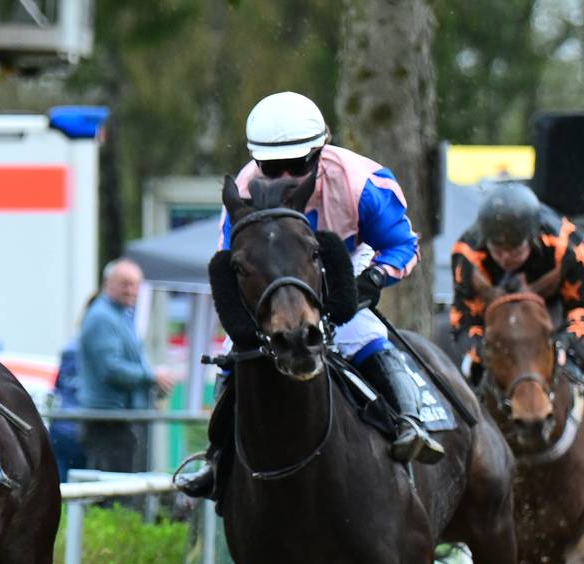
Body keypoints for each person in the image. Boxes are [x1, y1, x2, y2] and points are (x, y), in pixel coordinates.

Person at [177, 90, 443, 500]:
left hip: (345, 260)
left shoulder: (361, 183)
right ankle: (217, 457)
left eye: (297, 164)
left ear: (321, 151)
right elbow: (231, 258)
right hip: (276, 275)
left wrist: (372, 280)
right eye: (272, 167)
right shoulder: (244, 189)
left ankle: (409, 422)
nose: (285, 177)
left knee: (363, 334)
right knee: (233, 351)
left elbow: (403, 246)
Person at [450, 181, 584, 419]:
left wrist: (564, 339)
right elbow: (463, 314)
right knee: (469, 364)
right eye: (498, 250)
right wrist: (480, 347)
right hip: (496, 317)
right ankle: (462, 416)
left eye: (514, 250)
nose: (505, 258)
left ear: (532, 239)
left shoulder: (566, 244)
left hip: (553, 309)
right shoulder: (467, 253)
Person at [77, 258, 173, 474]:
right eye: (125, 284)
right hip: (109, 420)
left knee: (124, 483)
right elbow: (111, 369)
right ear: (107, 283)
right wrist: (152, 376)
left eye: (135, 284)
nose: (131, 290)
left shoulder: (120, 315)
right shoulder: (102, 317)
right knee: (115, 486)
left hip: (119, 419)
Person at [47, 338, 87, 481]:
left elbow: (57, 387)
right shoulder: (90, 351)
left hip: (60, 425)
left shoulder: (69, 349)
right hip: (81, 427)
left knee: (59, 476)